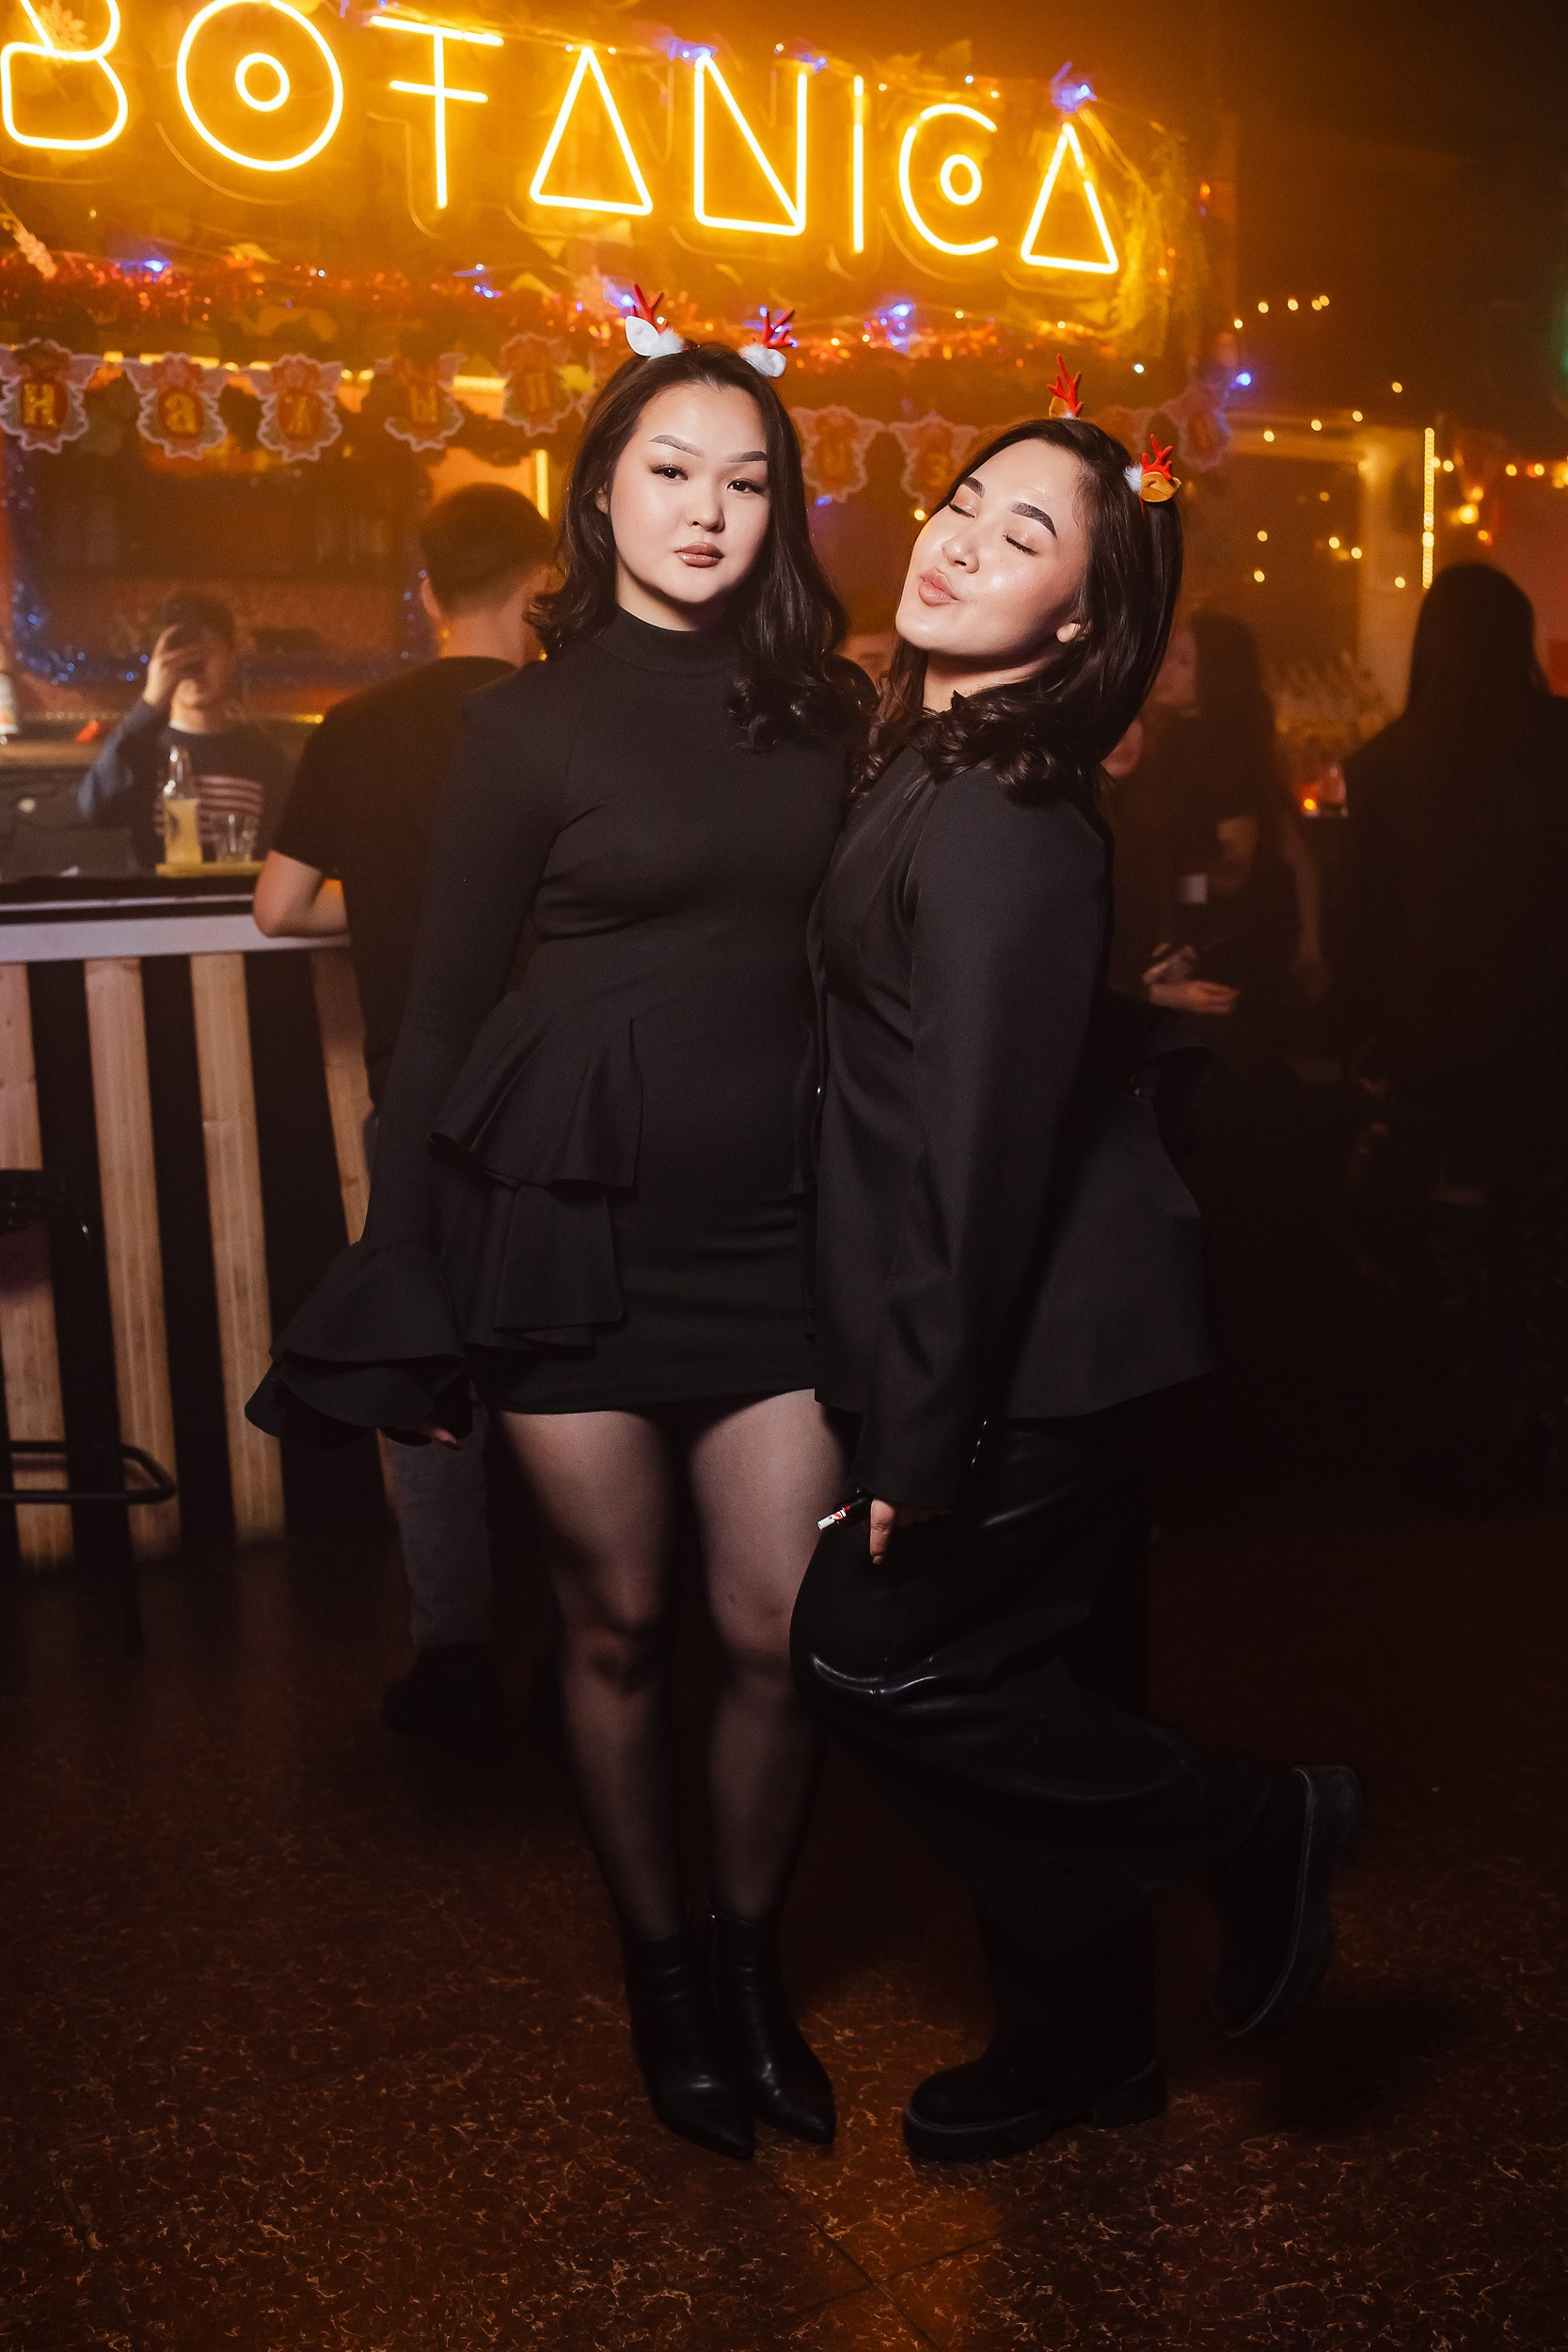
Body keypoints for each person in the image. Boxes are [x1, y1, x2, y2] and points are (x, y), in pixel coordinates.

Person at [248, 336, 865, 2161]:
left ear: (778, 511)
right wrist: (404, 1268)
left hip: (775, 1234)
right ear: (598, 495)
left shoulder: (823, 708)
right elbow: (438, 1016)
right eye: (670, 470)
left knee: (779, 1627)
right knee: (616, 1623)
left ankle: (747, 1963)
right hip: (562, 1233)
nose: (707, 510)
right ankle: (662, 1972)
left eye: (745, 479)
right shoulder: (519, 726)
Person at [792, 413, 1362, 2164]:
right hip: (1046, 1327)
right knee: (1052, 1683)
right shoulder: (937, 758)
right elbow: (963, 1033)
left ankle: (1251, 1824)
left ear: (1081, 617)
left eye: (1023, 533)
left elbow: (979, 1153)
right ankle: (1082, 2047)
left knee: (862, 1653)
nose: (961, 536)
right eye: (965, 499)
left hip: (1037, 1340)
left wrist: (914, 1436)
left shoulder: (1002, 808)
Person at [251, 484, 554, 1740]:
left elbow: (277, 907)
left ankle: (453, 1654)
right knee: (564, 1358)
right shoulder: (559, 719)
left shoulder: (357, 724)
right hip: (552, 1092)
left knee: (422, 1364)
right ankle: (594, 1640)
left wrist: (388, 912)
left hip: (415, 1095)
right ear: (540, 586)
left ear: (426, 590)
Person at [1346, 563, 1568, 1507]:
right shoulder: (1557, 742)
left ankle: (1483, 1444)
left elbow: (1366, 929)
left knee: (1459, 1248)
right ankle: (1554, 1435)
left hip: (1439, 1043)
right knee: (1548, 1241)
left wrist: (1369, 1044)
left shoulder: (1386, 763)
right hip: (1549, 1037)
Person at [78, 594, 291, 868]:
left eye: (206, 649)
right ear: (157, 662)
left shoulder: (264, 755)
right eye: (179, 651)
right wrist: (150, 703)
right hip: (159, 896)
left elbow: (288, 854)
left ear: (231, 658)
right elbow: (96, 809)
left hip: (237, 896)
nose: (193, 664)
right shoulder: (143, 747)